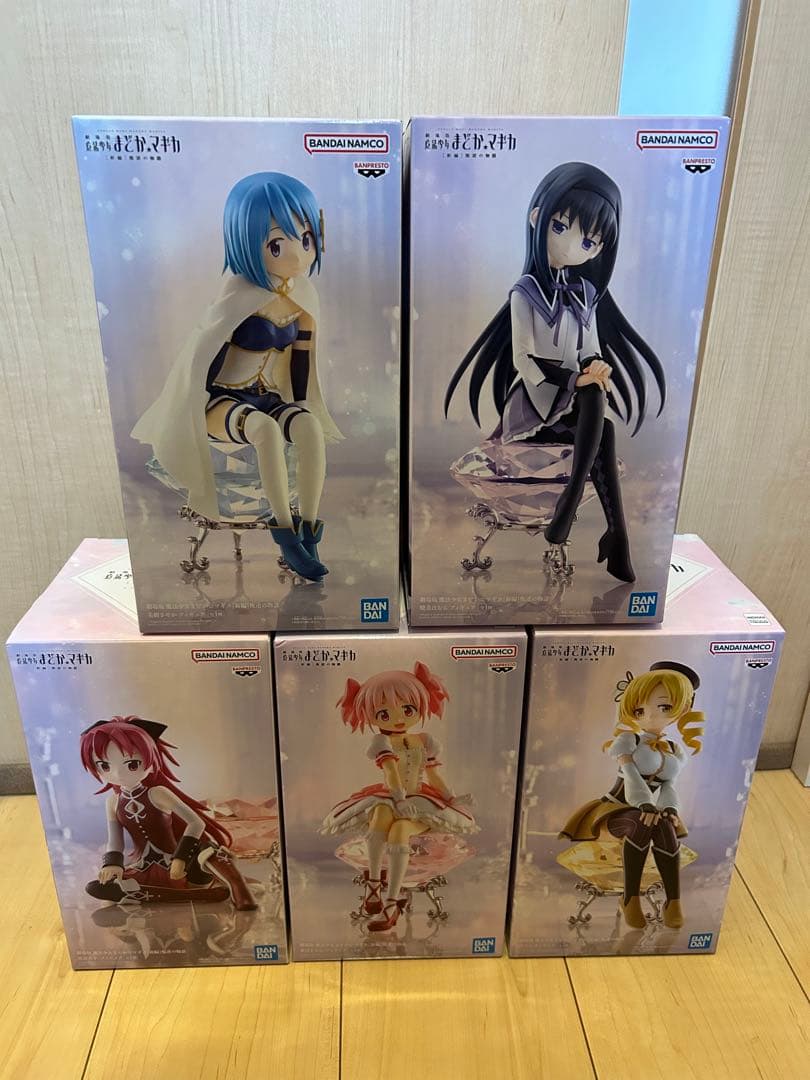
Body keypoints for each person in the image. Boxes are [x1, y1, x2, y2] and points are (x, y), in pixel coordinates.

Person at [445, 162, 665, 582]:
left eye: (588, 241)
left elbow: (590, 348)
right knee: (597, 413)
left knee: (600, 410)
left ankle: (609, 530)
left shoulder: (585, 294)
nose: (571, 246)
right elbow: (523, 360)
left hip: (573, 406)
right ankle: (597, 522)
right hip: (535, 404)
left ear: (598, 249)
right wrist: (573, 379)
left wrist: (596, 366)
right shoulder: (524, 293)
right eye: (560, 227)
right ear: (537, 218)